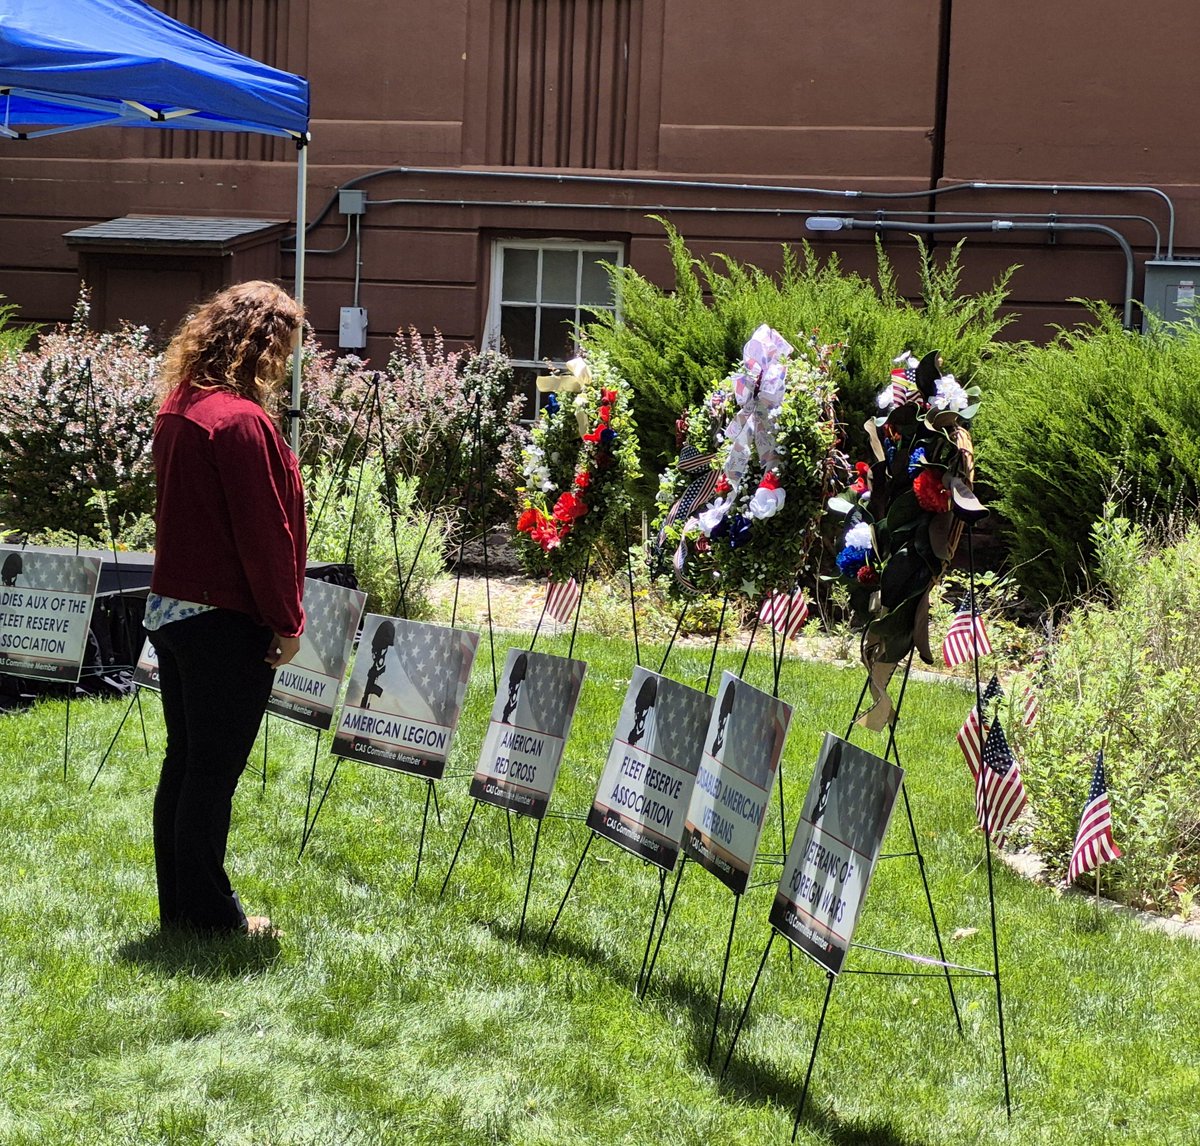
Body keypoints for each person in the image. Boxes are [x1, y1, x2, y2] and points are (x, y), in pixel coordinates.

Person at [144, 281, 307, 936]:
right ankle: (213, 917)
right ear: (262, 345)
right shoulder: (238, 422)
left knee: (185, 765)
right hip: (222, 620)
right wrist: (287, 621)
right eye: (287, 350)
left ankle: (181, 909)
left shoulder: (182, 407)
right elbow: (262, 536)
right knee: (211, 775)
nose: (288, 365)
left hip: (174, 613)